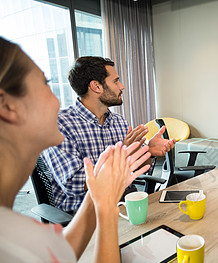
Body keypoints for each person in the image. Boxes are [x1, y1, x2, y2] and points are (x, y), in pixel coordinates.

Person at [0, 37, 150, 263]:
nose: (58, 101)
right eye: (46, 85)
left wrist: (137, 155)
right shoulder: (14, 247)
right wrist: (105, 207)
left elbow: (55, 254)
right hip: (90, 214)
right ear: (7, 105)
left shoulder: (22, 235)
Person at [43, 56, 176, 213]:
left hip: (123, 202)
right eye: (115, 81)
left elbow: (137, 169)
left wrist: (148, 153)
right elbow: (74, 183)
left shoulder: (119, 121)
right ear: (96, 86)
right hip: (86, 213)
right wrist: (120, 156)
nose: (122, 86)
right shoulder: (59, 125)